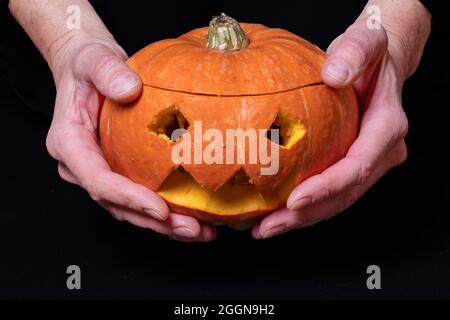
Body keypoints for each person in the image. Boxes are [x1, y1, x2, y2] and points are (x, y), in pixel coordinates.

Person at [3, 0, 431, 241]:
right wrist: (66, 38)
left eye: (273, 134)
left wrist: (394, 27)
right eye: (178, 129)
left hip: (368, 228)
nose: (227, 165)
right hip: (92, 223)